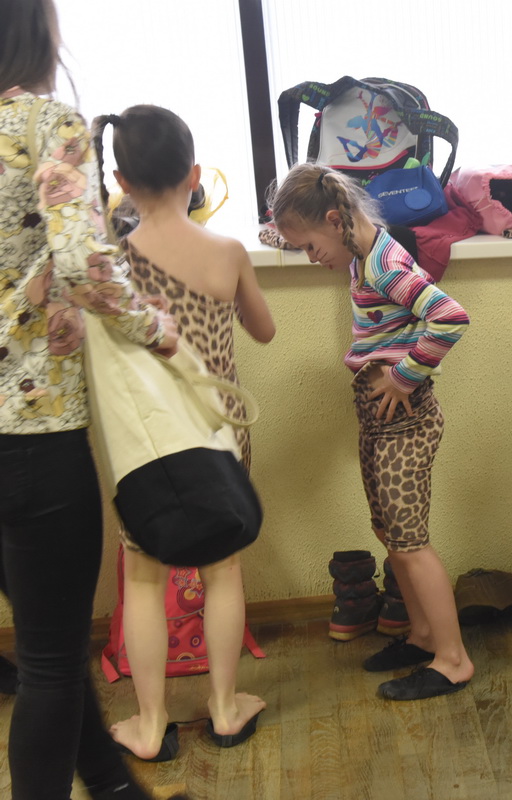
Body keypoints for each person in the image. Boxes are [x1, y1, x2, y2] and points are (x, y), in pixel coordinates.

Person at [0, 1, 187, 796]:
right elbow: (80, 263)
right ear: (37, 32)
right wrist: (153, 326)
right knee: (50, 660)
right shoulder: (46, 123)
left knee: (49, 640)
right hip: (32, 436)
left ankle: (114, 787)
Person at [92, 105, 275, 760]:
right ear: (194, 175)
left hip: (145, 444)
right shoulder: (226, 252)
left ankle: (150, 724)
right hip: (219, 434)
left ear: (121, 181)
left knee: (143, 576)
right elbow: (264, 330)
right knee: (223, 568)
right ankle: (224, 709)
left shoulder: (109, 264)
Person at [271, 162, 474, 700]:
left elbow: (450, 317)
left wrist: (405, 377)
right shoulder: (362, 253)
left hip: (405, 422)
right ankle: (423, 634)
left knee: (410, 543)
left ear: (334, 220)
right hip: (379, 421)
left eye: (310, 246)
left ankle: (453, 660)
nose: (311, 258)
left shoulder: (383, 263)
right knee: (390, 534)